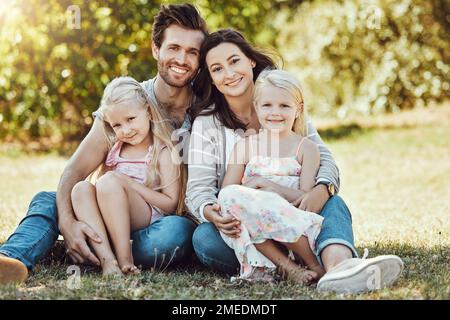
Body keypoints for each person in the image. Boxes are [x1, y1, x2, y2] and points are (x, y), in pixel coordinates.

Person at [0, 3, 208, 285]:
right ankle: (12, 260)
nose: (182, 59)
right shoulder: (127, 103)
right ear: (156, 49)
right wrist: (68, 223)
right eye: (173, 48)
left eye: (192, 52)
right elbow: (74, 173)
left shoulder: (205, 112)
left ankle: (93, 248)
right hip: (102, 208)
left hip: (157, 225)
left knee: (174, 233)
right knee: (48, 201)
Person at [187, 29, 404, 293]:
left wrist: (321, 189)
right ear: (210, 77)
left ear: (251, 61)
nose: (229, 74)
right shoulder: (208, 124)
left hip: (298, 210)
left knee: (333, 202)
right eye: (217, 68)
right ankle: (291, 264)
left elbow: (324, 159)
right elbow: (199, 191)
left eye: (235, 61)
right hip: (249, 226)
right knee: (205, 239)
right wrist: (212, 211)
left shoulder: (283, 101)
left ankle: (339, 268)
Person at [217, 69, 325, 284]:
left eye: (284, 105)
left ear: (298, 109)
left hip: (293, 221)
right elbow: (227, 192)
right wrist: (256, 196)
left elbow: (305, 195)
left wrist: (269, 187)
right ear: (257, 107)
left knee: (265, 203)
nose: (275, 112)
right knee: (239, 200)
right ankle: (289, 268)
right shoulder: (245, 146)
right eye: (267, 105)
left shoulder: (306, 148)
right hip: (254, 224)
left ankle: (313, 263)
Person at [71, 77, 185, 276]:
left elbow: (170, 204)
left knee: (109, 181)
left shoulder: (163, 151)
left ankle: (125, 260)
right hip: (111, 215)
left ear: (148, 112)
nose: (126, 130)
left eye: (131, 119)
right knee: (80, 188)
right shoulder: (115, 151)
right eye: (117, 125)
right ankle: (108, 260)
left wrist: (128, 183)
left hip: (145, 216)